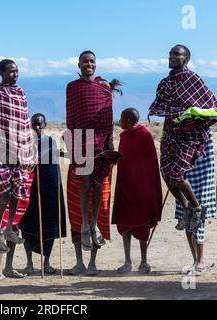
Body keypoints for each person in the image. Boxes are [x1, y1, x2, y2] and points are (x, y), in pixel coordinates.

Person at [148, 45, 217, 240]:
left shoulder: (194, 80)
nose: (171, 57)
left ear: (186, 59)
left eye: (176, 54)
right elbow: (162, 106)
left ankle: (196, 208)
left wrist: (189, 114)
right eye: (170, 53)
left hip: (191, 136)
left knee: (176, 173)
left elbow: (212, 106)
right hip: (170, 133)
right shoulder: (165, 83)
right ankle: (187, 207)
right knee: (165, 172)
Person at [65, 50, 122, 275]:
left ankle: (94, 223)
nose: (89, 64)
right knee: (84, 183)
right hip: (80, 138)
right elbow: (71, 114)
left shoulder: (103, 87)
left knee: (98, 183)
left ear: (96, 65)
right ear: (78, 65)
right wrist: (71, 140)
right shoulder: (72, 87)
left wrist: (109, 141)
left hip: (100, 139)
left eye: (92, 61)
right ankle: (87, 225)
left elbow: (109, 116)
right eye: (85, 61)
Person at [0, 60, 34, 251]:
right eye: (12, 71)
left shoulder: (20, 93)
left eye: (17, 71)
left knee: (16, 191)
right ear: (2, 73)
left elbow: (24, 121)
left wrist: (28, 146)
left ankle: (9, 227)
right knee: (5, 193)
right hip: (2, 149)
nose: (15, 74)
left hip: (21, 149)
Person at [112, 108, 163, 274]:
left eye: (121, 118)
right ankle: (127, 262)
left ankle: (144, 261)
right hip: (126, 186)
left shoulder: (145, 136)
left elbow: (151, 164)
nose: (120, 121)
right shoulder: (124, 137)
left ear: (127, 119)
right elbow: (122, 161)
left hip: (142, 188)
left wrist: (150, 187)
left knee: (142, 226)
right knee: (125, 223)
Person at [20, 113, 67, 275]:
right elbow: (24, 167)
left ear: (45, 124)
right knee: (27, 225)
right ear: (31, 126)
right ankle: (29, 263)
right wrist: (32, 164)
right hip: (31, 190)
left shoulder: (51, 142)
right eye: (35, 124)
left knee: (50, 225)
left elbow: (54, 169)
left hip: (49, 190)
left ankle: (46, 263)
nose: (37, 126)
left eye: (40, 123)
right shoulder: (26, 144)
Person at [176, 131, 216, 276]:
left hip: (202, 175)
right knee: (186, 216)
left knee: (198, 216)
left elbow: (206, 156)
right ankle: (195, 260)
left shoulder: (205, 128)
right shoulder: (180, 124)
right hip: (183, 173)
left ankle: (201, 261)